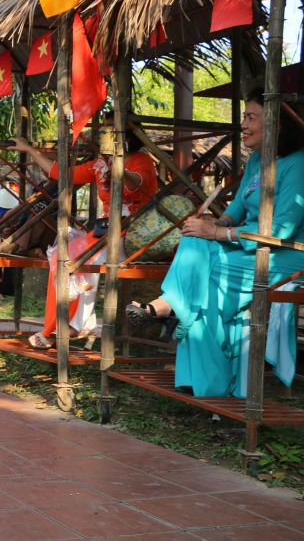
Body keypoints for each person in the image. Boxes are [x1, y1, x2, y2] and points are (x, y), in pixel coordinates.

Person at [127, 92, 304, 397]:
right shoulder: (259, 158)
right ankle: (175, 312)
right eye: (244, 116)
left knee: (204, 278)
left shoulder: (298, 163)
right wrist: (218, 223)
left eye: (251, 117)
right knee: (195, 243)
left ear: (276, 125)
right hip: (249, 245)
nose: (243, 125)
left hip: (284, 254)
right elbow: (238, 206)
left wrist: (220, 235)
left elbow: (282, 228)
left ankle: (171, 309)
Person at [10, 115, 158, 349]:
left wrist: (119, 168)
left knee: (84, 257)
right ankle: (61, 324)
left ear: (126, 136)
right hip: (109, 228)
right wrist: (29, 149)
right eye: (105, 130)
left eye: (110, 130)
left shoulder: (142, 160)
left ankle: (74, 326)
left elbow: (135, 183)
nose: (103, 135)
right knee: (63, 254)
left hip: (136, 228)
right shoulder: (100, 164)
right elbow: (61, 172)